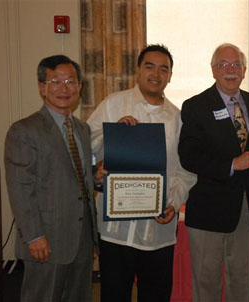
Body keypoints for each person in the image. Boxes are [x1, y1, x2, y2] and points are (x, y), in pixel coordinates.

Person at [87, 44, 195, 302]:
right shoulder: (113, 104)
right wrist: (112, 133)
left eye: (164, 69)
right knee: (114, 293)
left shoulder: (178, 118)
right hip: (116, 227)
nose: (156, 74)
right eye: (150, 66)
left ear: (170, 75)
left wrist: (175, 203)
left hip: (158, 227)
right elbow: (86, 147)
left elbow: (187, 170)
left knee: (156, 294)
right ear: (138, 70)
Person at [5, 55, 98, 302]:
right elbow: (21, 188)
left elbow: (78, 178)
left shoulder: (82, 129)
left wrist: (96, 177)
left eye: (70, 81)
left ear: (79, 86)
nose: (64, 88)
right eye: (55, 81)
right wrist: (34, 235)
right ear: (42, 87)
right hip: (46, 238)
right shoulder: (24, 130)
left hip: (81, 237)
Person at [178, 43, 249, 302]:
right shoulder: (195, 105)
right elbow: (189, 156)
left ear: (244, 70)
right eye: (224, 65)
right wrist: (231, 164)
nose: (231, 70)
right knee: (207, 282)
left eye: (236, 64)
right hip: (208, 208)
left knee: (243, 279)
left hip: (246, 209)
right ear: (213, 70)